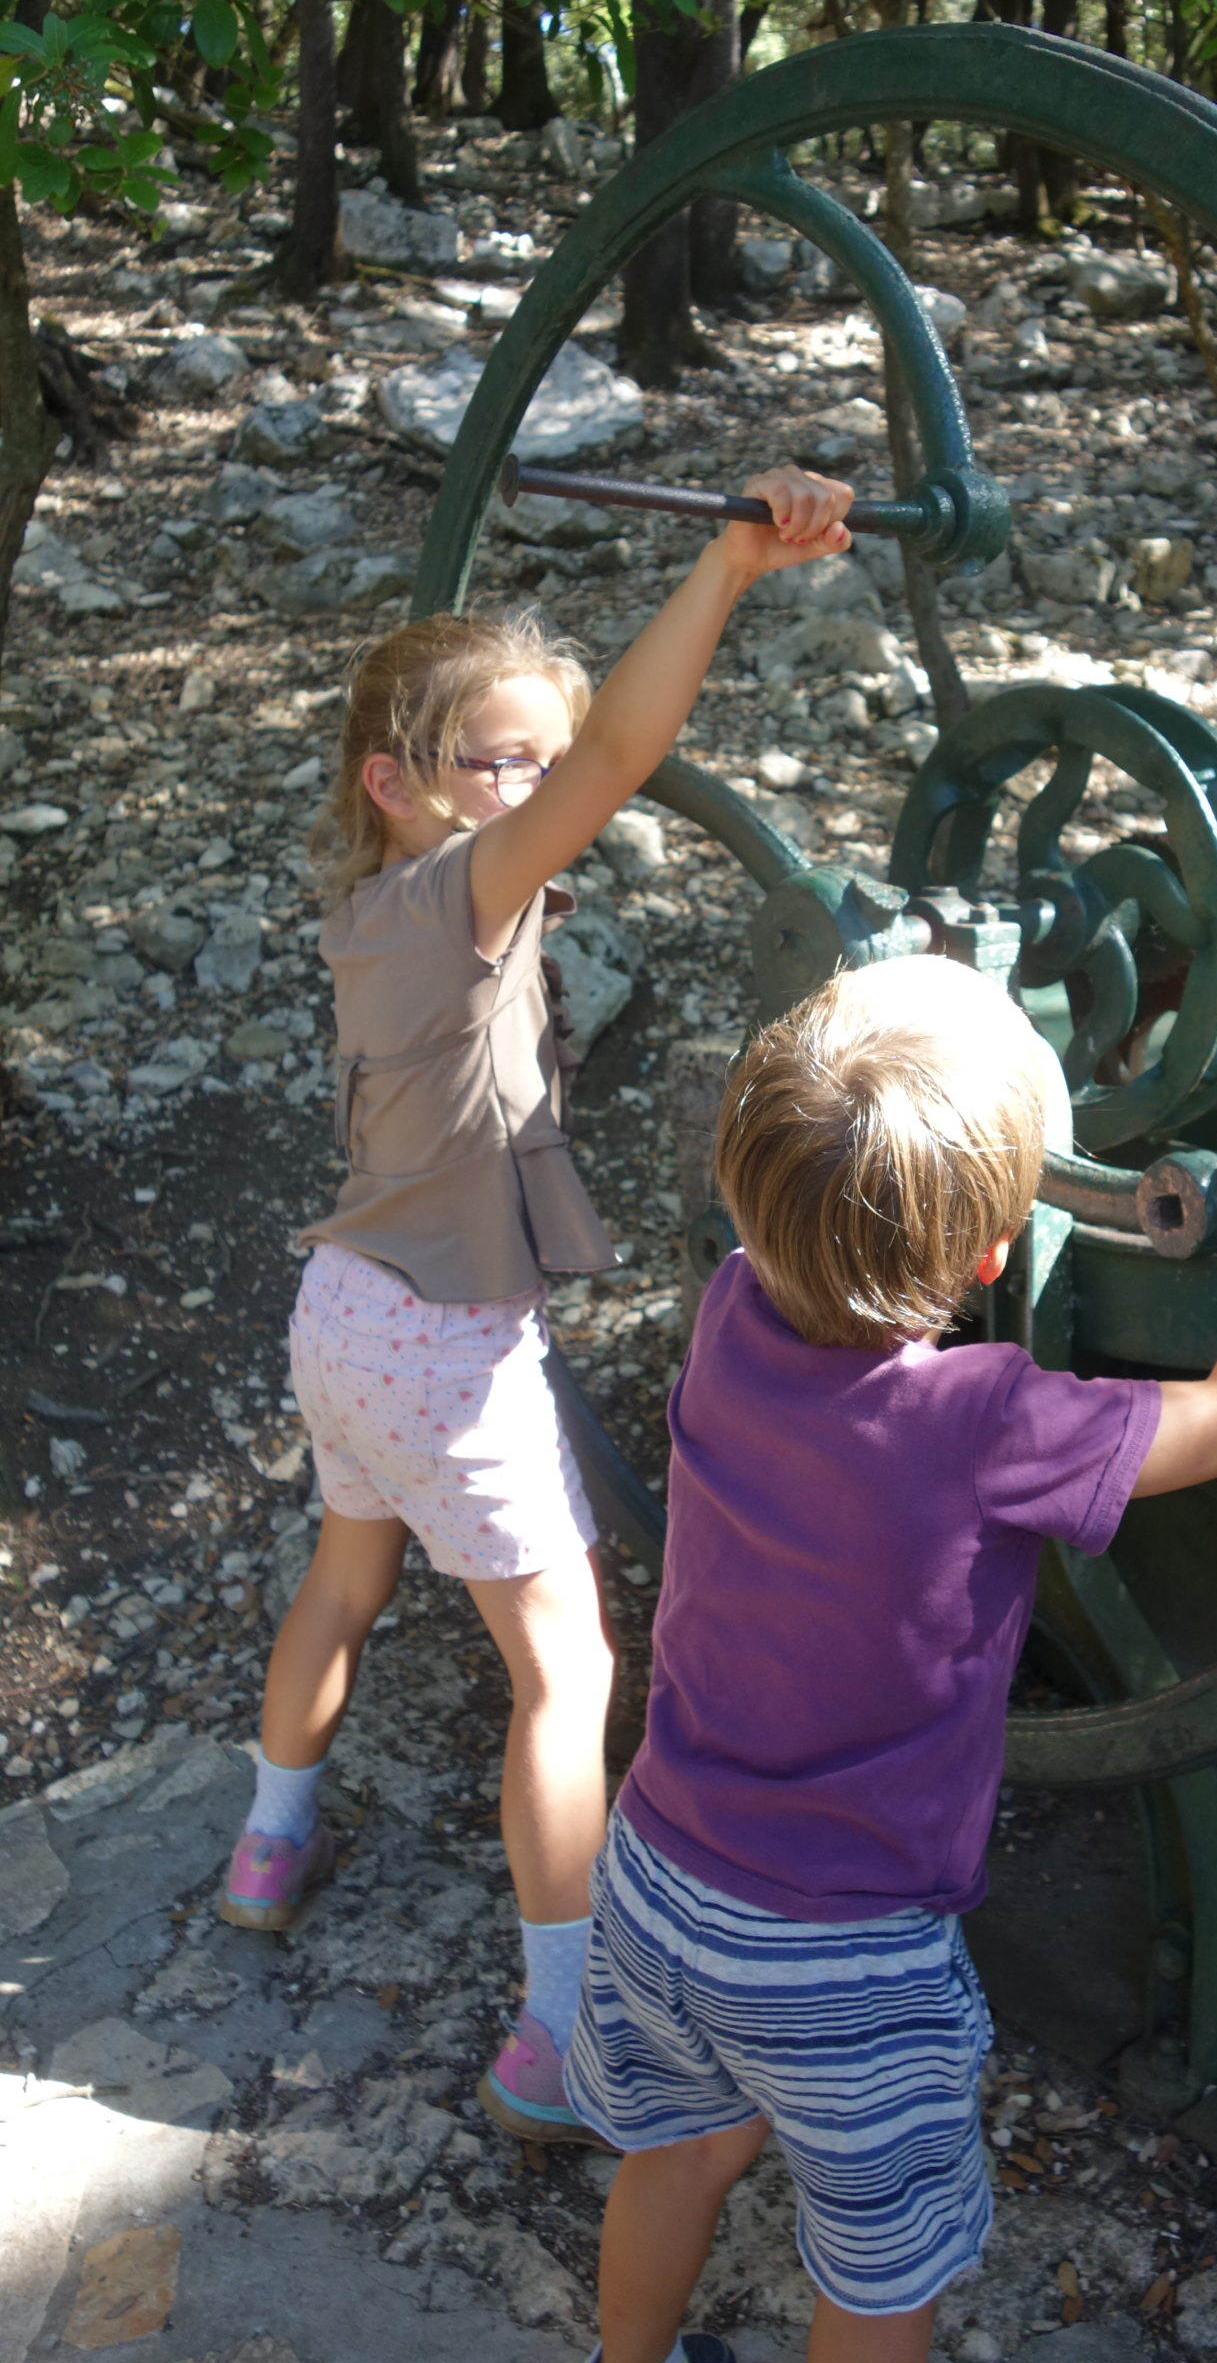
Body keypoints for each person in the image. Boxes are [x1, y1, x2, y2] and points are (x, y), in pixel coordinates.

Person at [566, 953, 1217, 2363]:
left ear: (747, 1197)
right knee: (881, 2268)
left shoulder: (731, 1312)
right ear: (995, 1256)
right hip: (845, 1959)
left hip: (657, 1877)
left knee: (679, 2150)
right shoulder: (991, 1420)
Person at [216, 466, 855, 2145]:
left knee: (344, 1582)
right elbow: (620, 758)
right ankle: (563, 2034)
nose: (537, 788)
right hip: (443, 1346)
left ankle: (269, 1846)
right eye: (500, 763)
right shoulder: (458, 900)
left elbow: (589, 762)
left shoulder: (375, 912)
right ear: (397, 783)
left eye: (534, 759)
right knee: (568, 1674)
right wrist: (726, 567)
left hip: (342, 1318)